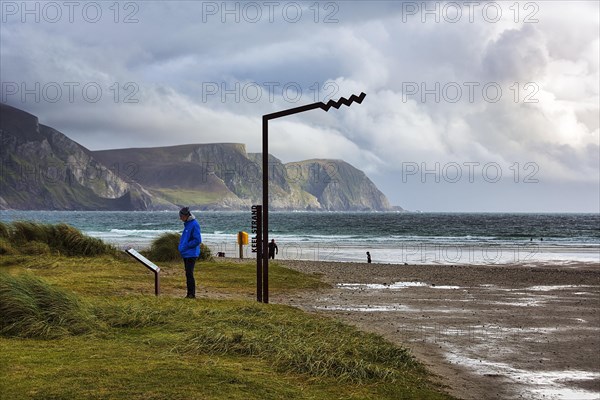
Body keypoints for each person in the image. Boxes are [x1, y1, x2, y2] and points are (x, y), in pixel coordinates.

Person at [178, 207, 202, 299]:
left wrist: (186, 245)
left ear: (185, 216)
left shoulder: (194, 224)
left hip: (191, 254)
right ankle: (189, 294)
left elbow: (197, 240)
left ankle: (191, 294)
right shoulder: (188, 224)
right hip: (186, 253)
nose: (180, 218)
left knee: (189, 274)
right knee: (188, 274)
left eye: (181, 216)